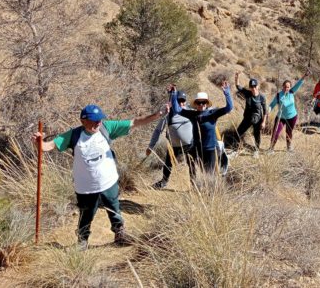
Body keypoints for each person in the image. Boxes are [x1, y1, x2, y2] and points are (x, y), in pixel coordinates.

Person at [32, 103, 167, 250]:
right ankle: (82, 241)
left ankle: (120, 234)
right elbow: (48, 146)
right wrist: (39, 142)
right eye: (94, 120)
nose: (98, 123)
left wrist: (157, 115)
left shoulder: (106, 128)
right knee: (86, 215)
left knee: (114, 208)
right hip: (85, 187)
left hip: (108, 182)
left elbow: (135, 122)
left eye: (100, 119)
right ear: (83, 121)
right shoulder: (74, 135)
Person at [171, 82, 233, 176]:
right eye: (199, 102)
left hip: (211, 149)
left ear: (207, 103)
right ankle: (197, 187)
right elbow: (177, 109)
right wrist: (173, 94)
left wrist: (227, 92)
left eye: (203, 102)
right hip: (198, 149)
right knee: (203, 173)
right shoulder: (192, 114)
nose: (201, 104)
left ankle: (211, 189)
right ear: (195, 104)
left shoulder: (213, 113)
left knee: (210, 175)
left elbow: (229, 107)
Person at [147, 88, 194, 190]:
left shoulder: (191, 112)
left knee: (192, 164)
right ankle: (163, 182)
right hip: (174, 146)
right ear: (174, 101)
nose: (181, 103)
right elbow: (157, 130)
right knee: (168, 164)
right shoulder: (168, 114)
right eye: (178, 101)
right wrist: (151, 146)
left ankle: (194, 185)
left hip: (190, 145)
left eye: (183, 101)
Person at [266, 70, 308, 152]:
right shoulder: (279, 95)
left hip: (292, 117)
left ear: (290, 87)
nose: (286, 88)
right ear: (282, 86)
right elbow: (271, 105)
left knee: (289, 133)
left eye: (288, 87)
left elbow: (299, 83)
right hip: (281, 117)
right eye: (285, 87)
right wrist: (268, 111)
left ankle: (289, 147)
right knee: (276, 133)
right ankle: (271, 148)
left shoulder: (292, 92)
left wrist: (305, 75)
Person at [234, 72, 267, 156]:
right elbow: (238, 86)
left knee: (256, 134)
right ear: (249, 87)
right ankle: (236, 147)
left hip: (257, 119)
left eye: (255, 86)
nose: (253, 88)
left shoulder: (262, 97)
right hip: (247, 118)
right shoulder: (247, 93)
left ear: (258, 86)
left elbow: (265, 111)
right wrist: (237, 76)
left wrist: (263, 122)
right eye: (251, 87)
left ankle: (256, 150)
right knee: (238, 132)